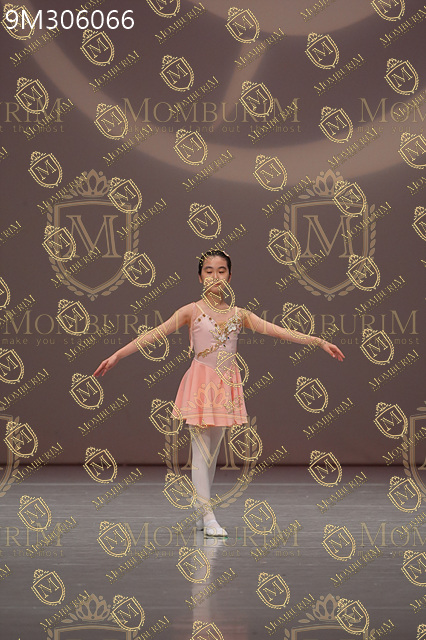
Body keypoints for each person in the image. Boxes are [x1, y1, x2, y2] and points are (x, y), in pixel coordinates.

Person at [94, 250, 345, 537]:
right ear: (200, 277)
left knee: (212, 453)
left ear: (230, 276)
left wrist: (318, 341)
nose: (215, 276)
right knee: (201, 450)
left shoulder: (240, 314)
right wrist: (117, 355)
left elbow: (277, 331)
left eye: (221, 271)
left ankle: (201, 511)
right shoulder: (190, 311)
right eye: (209, 271)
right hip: (201, 384)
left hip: (226, 385)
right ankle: (208, 515)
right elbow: (154, 334)